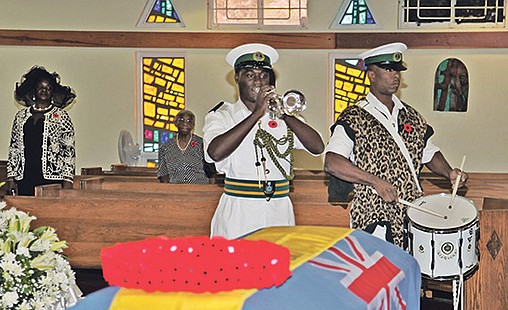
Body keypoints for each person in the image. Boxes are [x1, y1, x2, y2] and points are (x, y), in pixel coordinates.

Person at [324, 42, 468, 251]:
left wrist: (449, 172)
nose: (395, 76)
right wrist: (375, 181)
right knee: (379, 280)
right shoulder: (354, 116)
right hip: (374, 215)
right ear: (371, 75)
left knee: (408, 278)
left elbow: (428, 152)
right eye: (388, 69)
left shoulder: (412, 116)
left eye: (398, 71)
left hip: (413, 217)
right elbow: (332, 162)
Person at [203, 43, 324, 239]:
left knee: (280, 268)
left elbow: (317, 147)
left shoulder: (281, 115)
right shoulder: (222, 116)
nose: (258, 82)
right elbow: (213, 153)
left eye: (263, 76)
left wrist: (285, 115)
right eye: (250, 75)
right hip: (239, 213)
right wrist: (256, 114)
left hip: (279, 211)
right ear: (237, 78)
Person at [7, 66, 77, 196]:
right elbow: (14, 149)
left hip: (52, 179)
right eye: (41, 87)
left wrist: (68, 180)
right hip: (24, 177)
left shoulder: (62, 116)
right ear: (34, 90)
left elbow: (69, 150)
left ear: (53, 92)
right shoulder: (20, 116)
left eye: (48, 88)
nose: (44, 90)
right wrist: (11, 178)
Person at [157, 109, 215, 184]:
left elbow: (212, 173)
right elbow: (163, 173)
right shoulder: (165, 147)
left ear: (193, 125)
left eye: (189, 121)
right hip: (175, 190)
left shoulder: (202, 144)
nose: (185, 123)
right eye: (181, 120)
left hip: (200, 188)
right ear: (176, 123)